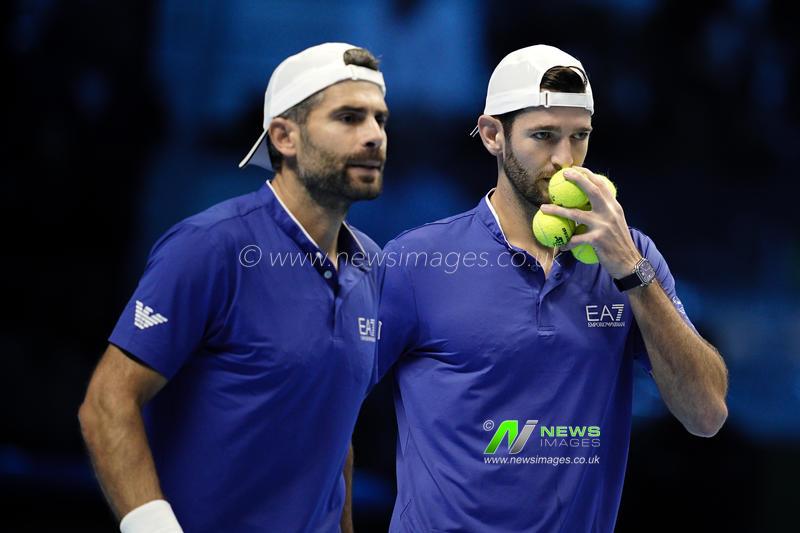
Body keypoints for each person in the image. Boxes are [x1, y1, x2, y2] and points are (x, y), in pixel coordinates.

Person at [376, 44, 728, 532]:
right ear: (492, 135)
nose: (565, 160)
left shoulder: (633, 257)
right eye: (543, 136)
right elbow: (326, 403)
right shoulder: (417, 261)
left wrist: (631, 269)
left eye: (579, 136)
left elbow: (706, 415)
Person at [79, 42, 389, 533]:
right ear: (284, 137)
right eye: (349, 118)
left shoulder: (371, 265)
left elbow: (333, 432)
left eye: (380, 119)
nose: (374, 136)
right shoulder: (209, 246)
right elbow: (106, 404)